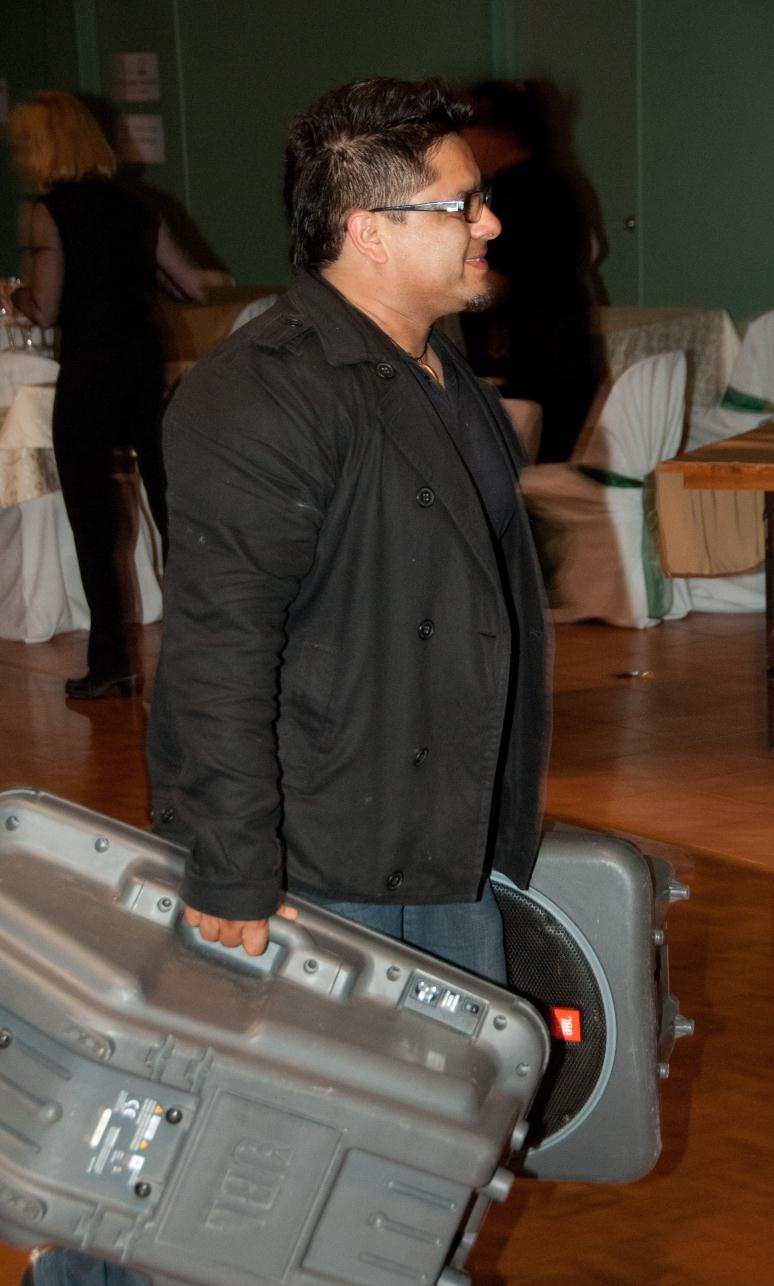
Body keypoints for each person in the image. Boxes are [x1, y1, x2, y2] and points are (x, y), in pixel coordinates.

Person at [21, 75, 550, 1286]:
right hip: (321, 863)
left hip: (436, 839)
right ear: (370, 229)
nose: (488, 222)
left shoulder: (429, 367)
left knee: (411, 1158)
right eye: (461, 204)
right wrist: (231, 868)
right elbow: (218, 648)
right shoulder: (261, 389)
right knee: (259, 1172)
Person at [5, 92, 231, 700]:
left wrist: (14, 296)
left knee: (94, 519)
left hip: (90, 368)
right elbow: (191, 286)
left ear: (41, 147)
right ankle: (205, 651)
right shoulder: (137, 205)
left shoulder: (47, 213)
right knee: (169, 505)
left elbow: (45, 307)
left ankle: (111, 663)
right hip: (142, 361)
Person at [460, 80, 603, 462]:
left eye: (468, 127)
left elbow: (496, 285)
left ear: (500, 133)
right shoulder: (555, 181)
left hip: (531, 370)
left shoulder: (517, 194)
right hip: (562, 361)